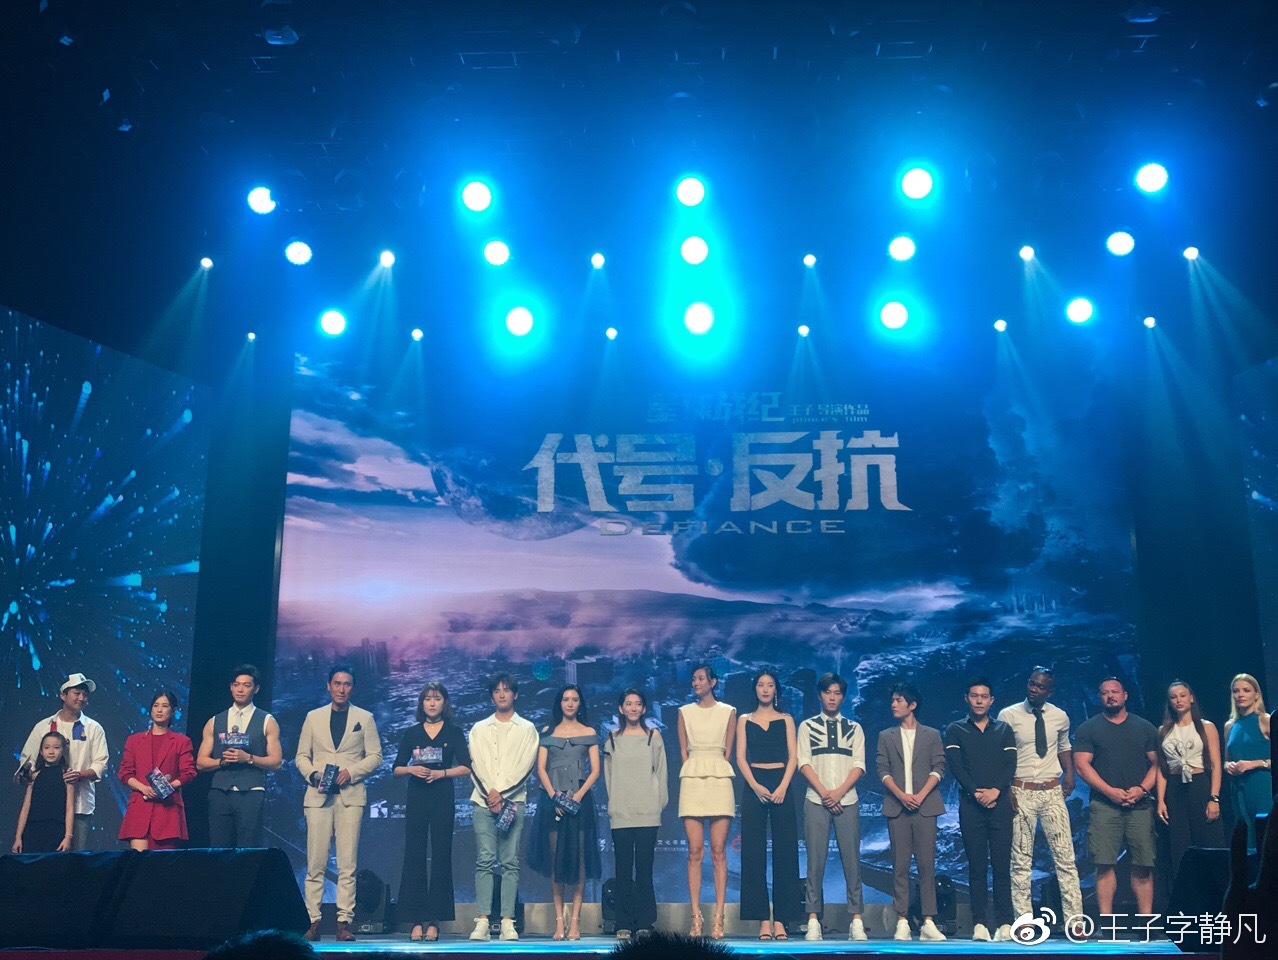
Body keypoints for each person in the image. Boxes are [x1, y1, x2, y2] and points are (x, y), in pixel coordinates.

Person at [295, 665, 383, 942]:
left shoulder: (364, 718)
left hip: (350, 797)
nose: (341, 689)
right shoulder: (313, 717)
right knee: (315, 862)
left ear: (352, 688)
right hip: (318, 796)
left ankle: (344, 921)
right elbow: (301, 756)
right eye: (337, 683)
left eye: (346, 684)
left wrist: (351, 772)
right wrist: (313, 774)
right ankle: (312, 920)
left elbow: (375, 756)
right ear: (329, 686)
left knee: (347, 863)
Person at [997, 667, 1084, 931]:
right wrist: (1006, 787)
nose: (1034, 689)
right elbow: (1001, 754)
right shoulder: (1008, 715)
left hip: (1051, 791)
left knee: (1065, 858)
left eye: (1040, 686)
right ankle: (1023, 922)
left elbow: (1064, 746)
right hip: (1020, 790)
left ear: (1049, 691)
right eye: (1031, 684)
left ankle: (1075, 921)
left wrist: (1070, 774)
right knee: (1021, 860)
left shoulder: (1060, 716)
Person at [1072, 676, 1159, 918]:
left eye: (1115, 692)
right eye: (1105, 693)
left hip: (1140, 805)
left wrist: (1141, 789)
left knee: (1143, 864)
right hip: (1104, 806)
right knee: (1104, 863)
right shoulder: (1088, 728)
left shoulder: (1144, 727)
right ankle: (1107, 923)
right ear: (1100, 697)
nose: (1110, 696)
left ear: (1125, 695)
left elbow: (1158, 763)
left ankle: (1146, 923)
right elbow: (1082, 766)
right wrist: (1110, 792)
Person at [391, 682, 471, 942]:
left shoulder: (454, 732)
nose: (432, 703)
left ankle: (435, 920)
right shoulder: (412, 733)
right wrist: (411, 769)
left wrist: (442, 773)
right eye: (428, 699)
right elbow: (396, 768)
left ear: (444, 703)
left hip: (442, 797)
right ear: (422, 703)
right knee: (414, 854)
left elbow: (466, 767)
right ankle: (416, 920)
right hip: (417, 797)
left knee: (441, 855)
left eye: (437, 698)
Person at [467, 672, 540, 943]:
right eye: (497, 690)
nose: (501, 694)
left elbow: (526, 766)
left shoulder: (527, 728)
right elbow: (474, 764)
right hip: (482, 801)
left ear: (515, 694)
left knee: (510, 861)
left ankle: (508, 921)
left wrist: (502, 795)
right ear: (491, 696)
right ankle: (483, 921)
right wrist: (491, 795)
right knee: (484, 860)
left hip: (513, 803)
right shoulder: (478, 728)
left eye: (506, 690)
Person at [944, 676, 1017, 942]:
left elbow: (1010, 765)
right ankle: (980, 924)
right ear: (967, 699)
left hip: (1000, 804)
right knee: (976, 868)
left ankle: (1005, 923)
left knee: (1001, 867)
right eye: (974, 696)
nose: (979, 701)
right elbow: (956, 766)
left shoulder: (1004, 729)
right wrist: (976, 792)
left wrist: (996, 790)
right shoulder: (955, 729)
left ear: (991, 700)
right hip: (970, 805)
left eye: (984, 696)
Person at [796, 672, 867, 942]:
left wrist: (838, 793)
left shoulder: (854, 728)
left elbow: (859, 764)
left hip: (847, 800)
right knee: (815, 861)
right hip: (816, 800)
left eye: (837, 693)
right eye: (828, 692)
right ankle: (813, 919)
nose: (832, 697)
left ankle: (856, 920)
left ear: (843, 697)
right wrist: (825, 793)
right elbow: (804, 763)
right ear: (820, 695)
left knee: (852, 861)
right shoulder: (807, 726)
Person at [530, 684, 602, 941]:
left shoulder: (589, 732)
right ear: (559, 703)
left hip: (580, 801)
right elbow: (541, 768)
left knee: (580, 861)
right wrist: (554, 796)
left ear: (580, 703)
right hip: (552, 801)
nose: (570, 704)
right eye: (565, 699)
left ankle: (575, 923)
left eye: (574, 699)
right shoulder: (547, 732)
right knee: (556, 862)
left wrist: (578, 796)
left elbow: (595, 770)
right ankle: (559, 923)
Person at [876, 682, 947, 942]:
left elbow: (939, 767)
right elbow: (882, 769)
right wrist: (902, 795)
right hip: (898, 807)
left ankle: (928, 921)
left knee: (927, 866)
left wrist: (920, 795)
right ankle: (902, 920)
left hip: (925, 807)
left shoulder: (932, 735)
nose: (893, 704)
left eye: (898, 700)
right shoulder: (886, 736)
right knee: (900, 866)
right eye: (892, 700)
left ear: (912, 705)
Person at [735, 669, 800, 941]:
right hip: (754, 784)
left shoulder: (786, 719)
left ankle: (782, 919)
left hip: (782, 782)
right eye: (760, 685)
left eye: (770, 685)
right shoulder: (744, 719)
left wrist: (783, 786)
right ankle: (763, 919)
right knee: (753, 851)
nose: (765, 689)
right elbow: (740, 758)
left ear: (776, 690)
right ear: (755, 689)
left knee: (786, 851)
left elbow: (793, 757)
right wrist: (755, 786)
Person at [602, 688, 668, 940]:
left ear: (644, 708)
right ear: (621, 708)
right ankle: (622, 922)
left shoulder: (653, 736)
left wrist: (658, 805)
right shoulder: (612, 738)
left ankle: (644, 922)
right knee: (622, 869)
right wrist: (614, 805)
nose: (633, 708)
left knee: (644, 869)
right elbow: (609, 777)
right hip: (621, 812)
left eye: (637, 704)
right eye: (628, 704)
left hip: (647, 812)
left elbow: (661, 773)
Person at [16, 673, 109, 850]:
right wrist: (28, 773)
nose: (81, 698)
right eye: (77, 693)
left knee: (76, 857)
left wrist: (79, 775)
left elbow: (101, 764)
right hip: (47, 808)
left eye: (85, 695)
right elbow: (27, 759)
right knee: (44, 857)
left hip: (79, 804)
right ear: (63, 695)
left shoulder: (93, 728)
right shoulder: (44, 726)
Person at [677, 663, 736, 940]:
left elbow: (728, 752)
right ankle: (695, 916)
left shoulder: (728, 712)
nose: (696, 683)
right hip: (692, 777)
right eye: (693, 679)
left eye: (701, 678)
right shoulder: (684, 712)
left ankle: (719, 918)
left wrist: (714, 766)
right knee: (694, 851)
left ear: (713, 682)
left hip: (719, 777)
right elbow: (683, 752)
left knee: (719, 851)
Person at [196, 664, 283, 848]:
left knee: (248, 848)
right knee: (218, 848)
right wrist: (221, 761)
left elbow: (276, 761)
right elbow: (201, 762)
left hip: (251, 792)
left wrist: (248, 758)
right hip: (220, 792)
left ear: (256, 689)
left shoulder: (267, 721)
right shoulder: (215, 721)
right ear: (231, 687)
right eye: (236, 685)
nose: (240, 689)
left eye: (246, 685)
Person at [1155, 680, 1224, 878]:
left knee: (1207, 840)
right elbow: (1162, 768)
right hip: (1175, 788)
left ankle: (1215, 888)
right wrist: (1161, 800)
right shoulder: (1163, 730)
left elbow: (1216, 764)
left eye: (1182, 695)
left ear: (1191, 698)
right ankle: (1187, 890)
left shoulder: (1206, 727)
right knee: (1180, 845)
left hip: (1200, 784)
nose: (1179, 700)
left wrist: (1214, 797)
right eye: (1174, 697)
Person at [117, 690, 197, 850]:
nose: (159, 710)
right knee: (138, 861)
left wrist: (166, 787)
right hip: (140, 806)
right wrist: (144, 788)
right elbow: (125, 773)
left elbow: (188, 773)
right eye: (156, 705)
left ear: (173, 711)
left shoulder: (182, 741)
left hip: (167, 808)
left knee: (162, 863)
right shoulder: (134, 740)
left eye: (165, 706)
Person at [1223, 673, 1272, 849]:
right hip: (1239, 788)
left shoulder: (1265, 720)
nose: (1240, 695)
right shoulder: (1230, 726)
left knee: (1266, 836)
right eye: (1236, 691)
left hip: (1262, 785)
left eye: (1246, 690)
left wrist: (1254, 764)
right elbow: (1227, 759)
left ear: (1256, 694)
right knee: (1246, 838)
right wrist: (1228, 766)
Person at [11, 731, 75, 853]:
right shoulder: (35, 776)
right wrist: (18, 837)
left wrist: (68, 837)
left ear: (63, 750)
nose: (51, 751)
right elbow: (26, 807)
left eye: (56, 747)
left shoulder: (66, 775)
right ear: (41, 751)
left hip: (56, 829)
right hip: (33, 829)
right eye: (47, 747)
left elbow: (70, 807)